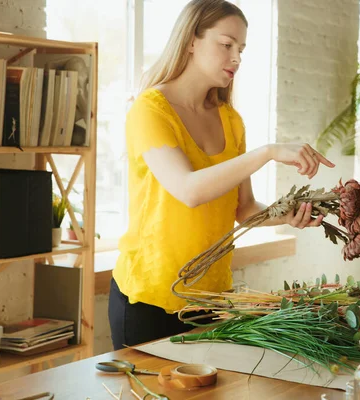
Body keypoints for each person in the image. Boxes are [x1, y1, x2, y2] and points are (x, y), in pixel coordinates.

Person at [108, 0, 335, 351]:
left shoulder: (231, 120)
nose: (236, 58)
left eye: (241, 49)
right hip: (148, 298)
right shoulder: (149, 111)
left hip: (212, 299)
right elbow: (188, 189)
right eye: (226, 44)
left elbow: (242, 209)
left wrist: (286, 214)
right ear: (191, 41)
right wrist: (269, 152)